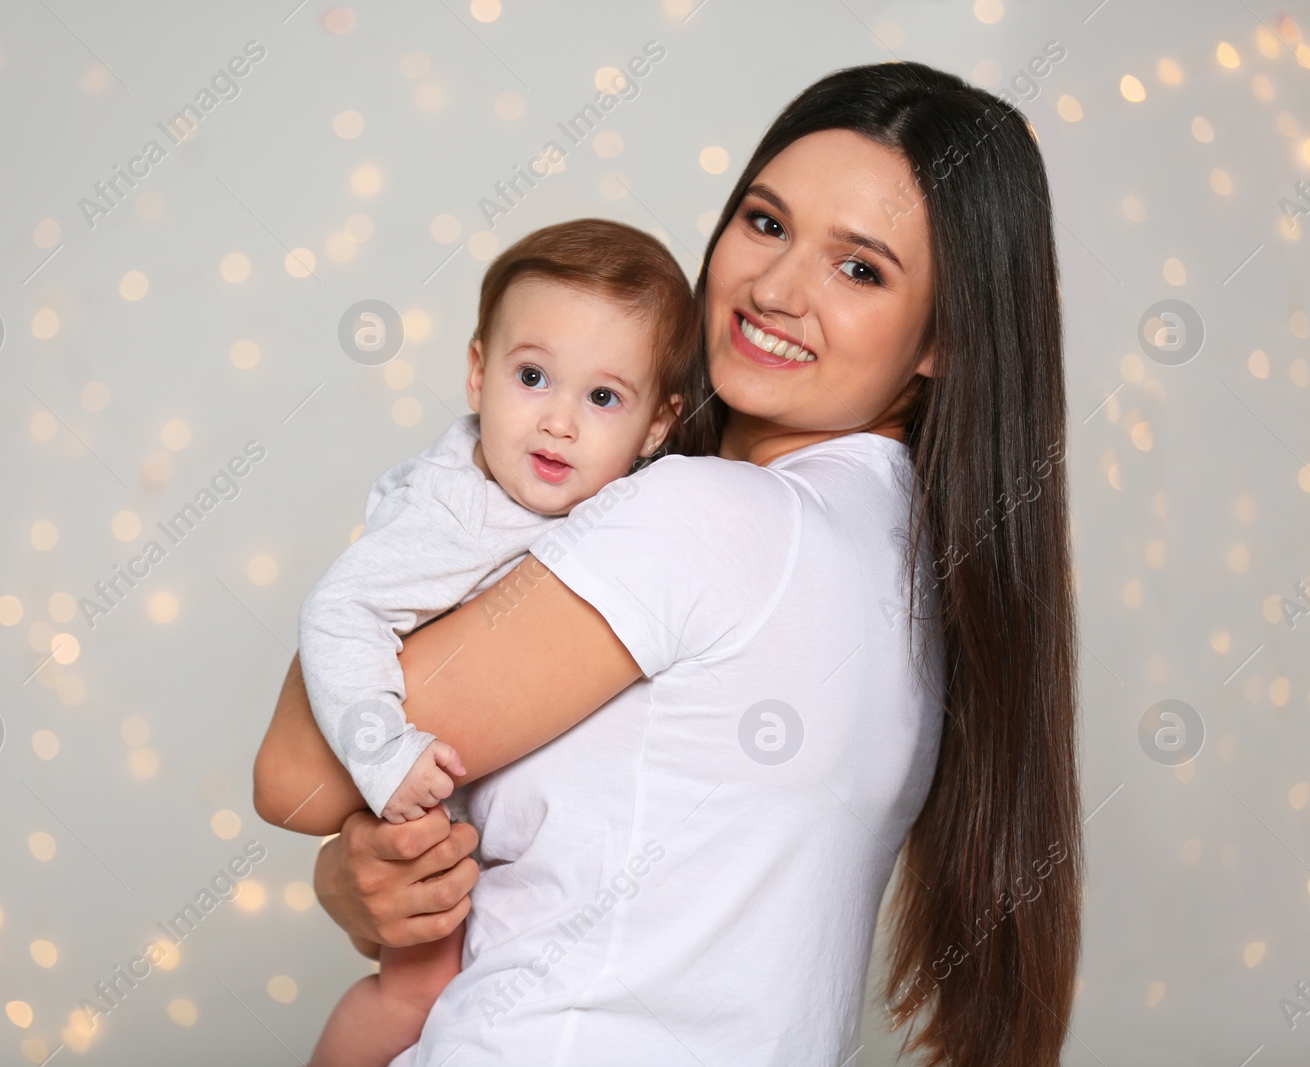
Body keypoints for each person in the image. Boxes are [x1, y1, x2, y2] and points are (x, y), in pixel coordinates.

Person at [256, 60, 1082, 1067]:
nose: (774, 289)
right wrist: (371, 879)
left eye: (859, 268)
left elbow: (295, 774)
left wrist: (453, 493)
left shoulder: (707, 517)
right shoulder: (904, 554)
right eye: (766, 222)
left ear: (944, 337)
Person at [298, 218, 701, 1067]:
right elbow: (340, 612)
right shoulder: (454, 513)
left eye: (602, 398)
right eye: (532, 376)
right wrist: (385, 752)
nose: (558, 422)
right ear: (478, 372)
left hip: (499, 811)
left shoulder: (627, 505)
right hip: (416, 790)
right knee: (414, 989)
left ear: (658, 424)